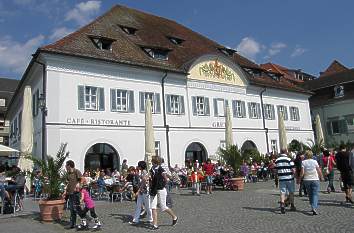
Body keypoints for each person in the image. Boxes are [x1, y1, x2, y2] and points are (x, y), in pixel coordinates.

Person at [149, 156, 178, 230]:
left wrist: (162, 184)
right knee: (153, 207)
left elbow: (166, 179)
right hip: (153, 190)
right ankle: (155, 225)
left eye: (152, 161)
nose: (151, 162)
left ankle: (174, 217)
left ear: (155, 162)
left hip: (161, 189)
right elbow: (150, 178)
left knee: (163, 207)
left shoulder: (161, 169)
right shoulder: (151, 169)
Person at [300, 150, 324, 215]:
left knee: (310, 194)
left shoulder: (303, 162)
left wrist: (300, 179)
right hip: (315, 179)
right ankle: (314, 207)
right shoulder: (315, 161)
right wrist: (321, 177)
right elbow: (318, 170)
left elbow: (302, 172)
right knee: (315, 194)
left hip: (307, 180)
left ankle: (312, 206)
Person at [129, 161, 152, 225]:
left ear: (140, 166)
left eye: (138, 166)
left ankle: (150, 219)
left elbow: (144, 181)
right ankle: (135, 220)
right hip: (142, 191)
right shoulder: (142, 172)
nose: (137, 167)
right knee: (138, 205)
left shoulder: (144, 172)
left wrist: (139, 190)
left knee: (147, 206)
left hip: (145, 191)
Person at [275, 149, 296, 214]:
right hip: (289, 178)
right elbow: (293, 169)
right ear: (286, 152)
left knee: (282, 192)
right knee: (291, 192)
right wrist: (295, 175)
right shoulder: (289, 159)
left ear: (281, 152)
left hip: (281, 178)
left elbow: (276, 171)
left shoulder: (277, 160)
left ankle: (282, 205)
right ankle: (292, 205)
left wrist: (277, 177)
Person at [62, 160, 82, 229]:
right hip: (70, 193)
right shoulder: (68, 173)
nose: (65, 167)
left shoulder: (76, 171)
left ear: (69, 165)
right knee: (72, 209)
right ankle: (72, 223)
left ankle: (83, 220)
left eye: (66, 165)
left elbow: (81, 180)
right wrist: (65, 191)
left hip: (76, 193)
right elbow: (67, 183)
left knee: (76, 208)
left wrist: (78, 184)